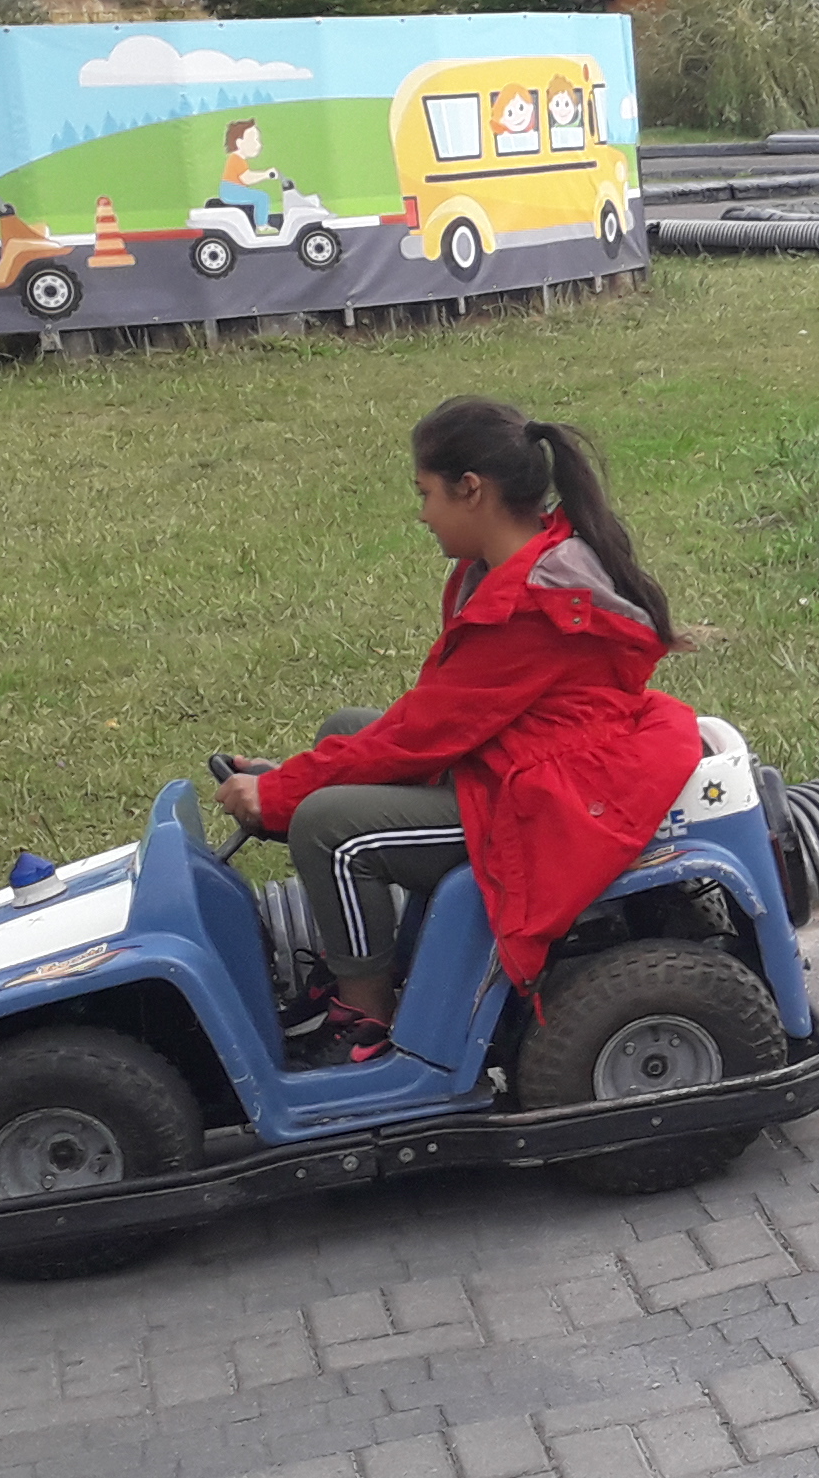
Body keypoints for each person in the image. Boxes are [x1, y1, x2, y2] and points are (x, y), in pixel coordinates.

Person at [215, 397, 705, 1065]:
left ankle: (365, 1019)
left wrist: (283, 794)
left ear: (471, 489)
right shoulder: (510, 567)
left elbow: (422, 736)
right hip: (527, 756)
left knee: (327, 828)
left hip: (548, 798)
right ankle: (378, 962)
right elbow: (430, 720)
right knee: (345, 730)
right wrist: (294, 776)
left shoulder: (528, 606)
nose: (422, 514)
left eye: (426, 494)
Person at [216, 118, 285, 231]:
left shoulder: (238, 159)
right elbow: (247, 179)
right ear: (239, 143)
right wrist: (266, 174)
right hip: (231, 191)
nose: (259, 145)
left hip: (234, 189)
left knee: (258, 196)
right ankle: (261, 226)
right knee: (262, 197)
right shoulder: (236, 159)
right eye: (254, 140)